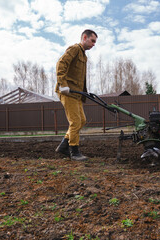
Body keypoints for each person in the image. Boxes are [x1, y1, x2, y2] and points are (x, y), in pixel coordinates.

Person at [55, 29, 97, 161]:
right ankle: (74, 151)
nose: (94, 44)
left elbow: (80, 77)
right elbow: (61, 64)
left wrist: (84, 92)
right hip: (67, 92)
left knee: (82, 120)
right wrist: (63, 85)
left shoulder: (84, 56)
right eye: (92, 41)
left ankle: (63, 146)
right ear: (84, 37)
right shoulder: (74, 49)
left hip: (76, 94)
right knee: (75, 121)